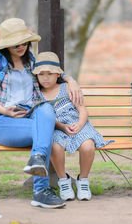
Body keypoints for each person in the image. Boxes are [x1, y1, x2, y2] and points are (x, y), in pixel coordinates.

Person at [0, 18, 82, 209]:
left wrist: (70, 80)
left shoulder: (31, 60)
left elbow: (53, 70)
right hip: (1, 120)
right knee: (44, 132)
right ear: (7, 45)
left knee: (46, 108)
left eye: (25, 42)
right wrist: (4, 111)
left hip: (31, 114)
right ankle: (41, 191)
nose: (22, 46)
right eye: (16, 43)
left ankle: (38, 163)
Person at [33, 52, 113, 201]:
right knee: (55, 146)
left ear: (58, 74)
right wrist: (62, 126)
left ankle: (83, 180)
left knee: (88, 145)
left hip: (78, 124)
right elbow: (44, 118)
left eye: (49, 73)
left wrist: (80, 124)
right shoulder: (37, 94)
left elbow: (82, 109)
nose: (45, 77)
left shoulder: (67, 88)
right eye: (41, 74)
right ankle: (63, 181)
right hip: (56, 127)